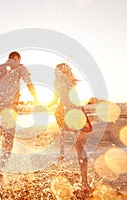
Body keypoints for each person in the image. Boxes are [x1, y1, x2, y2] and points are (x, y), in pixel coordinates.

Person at [48, 63, 92, 197]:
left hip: (68, 112)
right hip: (78, 112)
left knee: (69, 137)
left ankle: (61, 153)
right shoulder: (72, 82)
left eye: (56, 71)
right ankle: (85, 183)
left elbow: (56, 99)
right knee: (80, 146)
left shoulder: (57, 82)